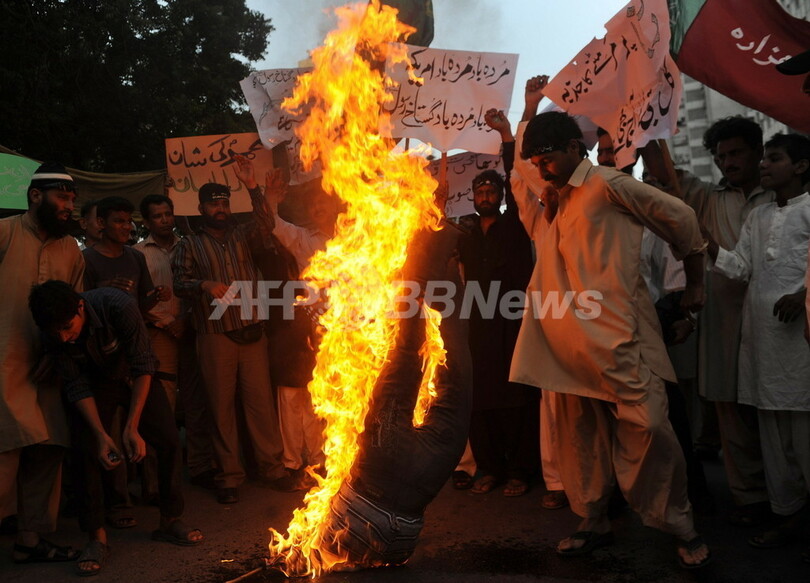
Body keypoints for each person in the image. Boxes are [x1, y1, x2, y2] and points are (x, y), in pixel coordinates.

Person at [510, 109, 711, 568]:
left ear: (574, 148)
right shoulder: (555, 198)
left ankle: (680, 523)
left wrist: (695, 283)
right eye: (535, 162)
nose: (541, 168)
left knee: (652, 428)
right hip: (564, 345)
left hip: (619, 337)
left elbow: (679, 217)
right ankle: (592, 519)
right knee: (579, 437)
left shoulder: (607, 184)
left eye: (546, 158)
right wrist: (551, 204)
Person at [271, 223, 470, 574]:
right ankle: (436, 252)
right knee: (447, 359)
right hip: (394, 517)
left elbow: (411, 346)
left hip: (390, 532)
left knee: (426, 355)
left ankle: (435, 252)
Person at [644, 116, 774, 527]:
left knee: (778, 413)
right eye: (720, 157)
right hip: (723, 322)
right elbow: (666, 177)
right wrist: (647, 124)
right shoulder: (706, 198)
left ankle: (788, 497)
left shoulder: (783, 197)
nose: (728, 162)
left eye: (736, 153)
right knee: (730, 413)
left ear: (758, 152)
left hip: (776, 323)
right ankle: (750, 501)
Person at [29, 280, 202, 575]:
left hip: (134, 378)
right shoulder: (55, 335)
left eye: (68, 326)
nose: (64, 336)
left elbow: (143, 364)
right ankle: (96, 536)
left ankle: (170, 520)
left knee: (169, 439)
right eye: (55, 332)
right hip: (94, 387)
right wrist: (101, 435)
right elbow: (76, 385)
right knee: (85, 449)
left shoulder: (118, 305)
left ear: (80, 307)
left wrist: (131, 428)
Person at [706, 133, 810, 559]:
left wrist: (804, 294)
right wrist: (707, 244)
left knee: (805, 433)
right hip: (765, 344)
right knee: (774, 436)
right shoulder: (760, 216)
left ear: (801, 166)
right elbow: (741, 267)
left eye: (775, 158)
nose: (765, 165)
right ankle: (789, 516)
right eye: (764, 158)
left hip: (801, 344)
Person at [172, 155, 292, 504]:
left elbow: (266, 220)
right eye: (213, 204)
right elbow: (180, 283)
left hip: (253, 330)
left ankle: (272, 470)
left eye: (224, 202)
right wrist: (205, 284)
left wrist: (252, 185)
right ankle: (229, 476)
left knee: (261, 406)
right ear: (202, 208)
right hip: (216, 335)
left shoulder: (243, 235)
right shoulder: (189, 244)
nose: (220, 208)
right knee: (220, 408)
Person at [0, 162, 84, 564]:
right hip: (6, 364)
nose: (69, 206)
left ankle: (28, 540)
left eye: (71, 199)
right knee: (6, 454)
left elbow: (77, 307)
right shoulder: (5, 233)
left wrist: (61, 351)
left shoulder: (70, 249)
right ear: (36, 196)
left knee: (49, 449)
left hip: (50, 366)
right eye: (62, 197)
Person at [457, 109, 537, 498]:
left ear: (501, 195)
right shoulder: (466, 234)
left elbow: (518, 176)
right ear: (472, 198)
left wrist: (507, 134)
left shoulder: (517, 224)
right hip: (478, 324)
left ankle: (520, 470)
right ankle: (488, 467)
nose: (486, 196)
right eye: (480, 192)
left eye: (492, 191)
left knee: (518, 396)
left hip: (513, 320)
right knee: (481, 398)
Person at [258, 173, 338, 488]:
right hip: (302, 326)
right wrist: (269, 200)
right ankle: (293, 463)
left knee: (329, 397)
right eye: (313, 205)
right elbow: (274, 224)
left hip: (345, 331)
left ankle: (325, 462)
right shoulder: (303, 239)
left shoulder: (360, 239)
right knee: (293, 396)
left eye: (324, 203)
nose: (319, 208)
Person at [83, 196, 168, 311]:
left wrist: (157, 295)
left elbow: (140, 306)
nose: (127, 227)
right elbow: (82, 305)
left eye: (129, 221)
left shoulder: (137, 257)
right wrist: (104, 292)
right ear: (101, 222)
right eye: (119, 221)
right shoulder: (86, 259)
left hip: (133, 327)